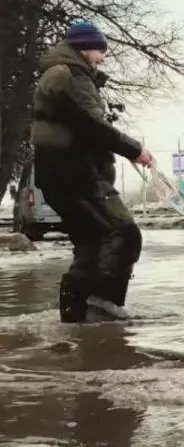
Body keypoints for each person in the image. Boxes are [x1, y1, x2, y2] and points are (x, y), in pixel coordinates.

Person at [30, 21, 155, 323]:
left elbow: (80, 124)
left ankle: (74, 320)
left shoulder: (60, 73)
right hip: (77, 176)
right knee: (124, 233)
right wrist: (134, 149)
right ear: (85, 48)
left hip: (60, 176)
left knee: (90, 245)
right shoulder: (70, 75)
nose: (104, 58)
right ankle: (104, 310)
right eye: (101, 51)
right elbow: (90, 126)